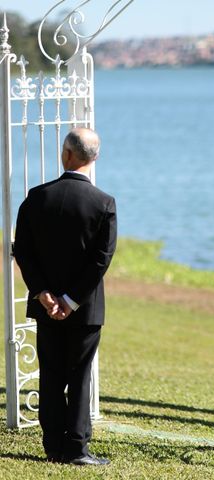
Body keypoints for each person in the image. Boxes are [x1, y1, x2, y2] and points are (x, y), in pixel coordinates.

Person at [13, 128, 117, 466]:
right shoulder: (103, 203)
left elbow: (23, 252)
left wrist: (45, 294)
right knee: (79, 375)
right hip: (84, 309)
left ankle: (53, 446)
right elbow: (101, 258)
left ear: (66, 155)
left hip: (45, 306)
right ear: (94, 157)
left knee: (52, 373)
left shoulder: (36, 197)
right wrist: (71, 300)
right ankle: (76, 448)